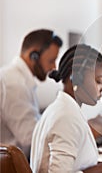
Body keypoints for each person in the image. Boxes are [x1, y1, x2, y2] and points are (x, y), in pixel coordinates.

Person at [30, 44, 102, 173]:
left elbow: (76, 164)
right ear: (76, 78)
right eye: (99, 81)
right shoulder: (66, 117)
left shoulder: (60, 109)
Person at [0, 29, 63, 158]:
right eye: (51, 61)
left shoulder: (20, 81)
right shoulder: (14, 84)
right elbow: (30, 137)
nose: (53, 67)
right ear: (34, 56)